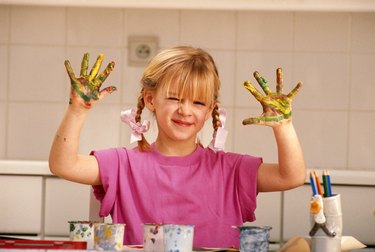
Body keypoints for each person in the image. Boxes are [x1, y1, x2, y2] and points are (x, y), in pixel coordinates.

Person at [49, 46, 306, 248]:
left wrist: (283, 126)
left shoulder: (231, 170)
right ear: (150, 99)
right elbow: (64, 165)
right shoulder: (121, 164)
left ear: (209, 110)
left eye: (197, 102)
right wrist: (78, 110)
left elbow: (291, 176)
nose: (185, 110)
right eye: (174, 98)